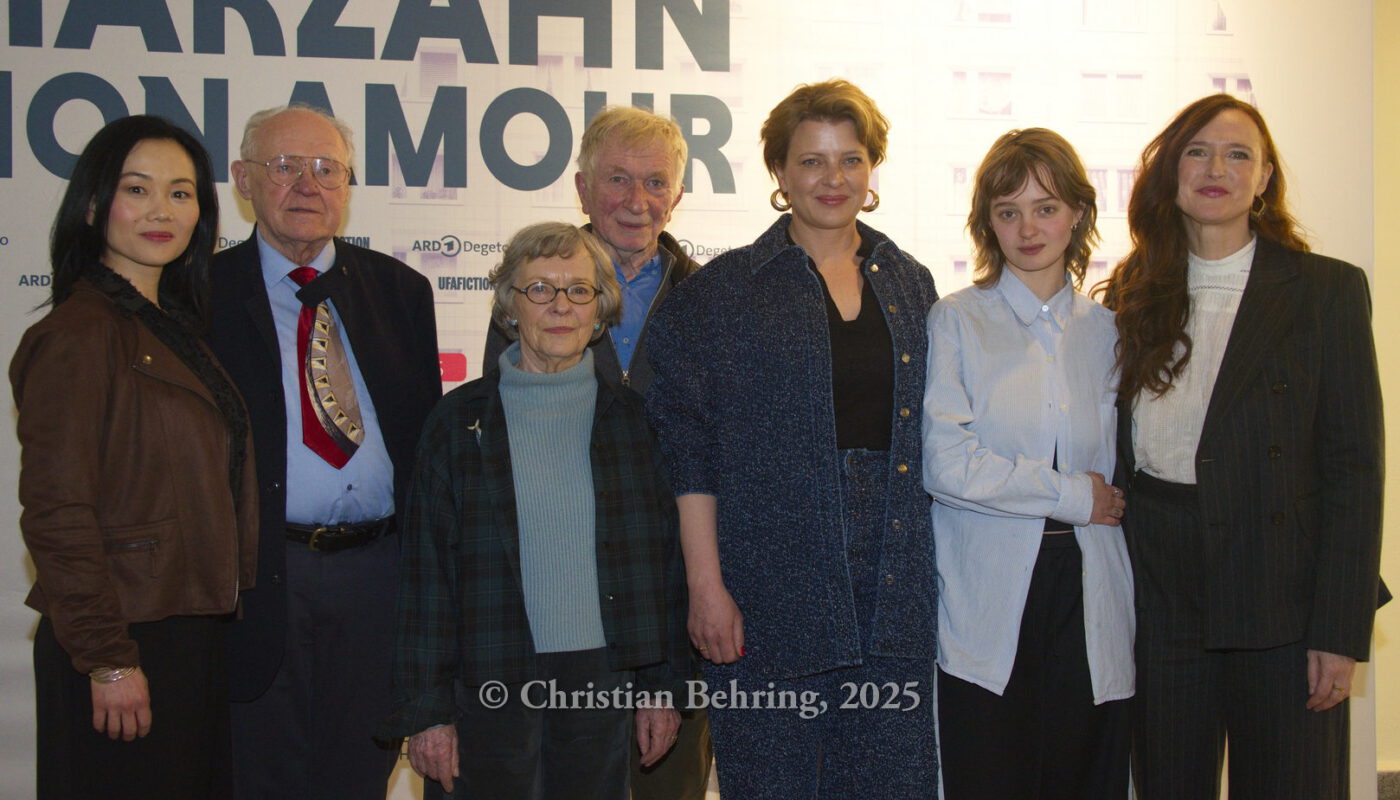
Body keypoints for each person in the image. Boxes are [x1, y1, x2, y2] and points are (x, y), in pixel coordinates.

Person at [646, 79, 940, 798]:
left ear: (872, 172)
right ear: (779, 173)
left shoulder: (912, 283)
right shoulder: (718, 297)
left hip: (893, 593)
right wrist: (706, 588)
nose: (832, 179)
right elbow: (690, 460)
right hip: (766, 595)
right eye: (811, 161)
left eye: (851, 159)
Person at [1099, 94, 1384, 798]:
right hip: (1162, 593)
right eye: (1197, 151)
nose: (1215, 168)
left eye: (1238, 154)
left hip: (1282, 599)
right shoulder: (1131, 294)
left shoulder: (1326, 290)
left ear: (1265, 179)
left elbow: (1355, 469)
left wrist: (1340, 630)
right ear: (1171, 173)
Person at [383, 222, 690, 799]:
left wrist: (661, 687)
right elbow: (424, 580)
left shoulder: (636, 422)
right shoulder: (455, 423)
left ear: (600, 311)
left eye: (579, 290)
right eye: (540, 290)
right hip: (486, 674)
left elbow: (665, 570)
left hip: (603, 678)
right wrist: (427, 711)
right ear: (509, 308)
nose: (560, 306)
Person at [11, 115, 257, 799]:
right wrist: (107, 660)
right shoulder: (78, 335)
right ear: (93, 206)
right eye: (138, 189)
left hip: (184, 635)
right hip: (122, 640)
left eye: (181, 194)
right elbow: (58, 512)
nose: (162, 210)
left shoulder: (170, 327)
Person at [208, 104, 442, 800]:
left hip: (377, 576)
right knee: (260, 773)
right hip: (259, 575)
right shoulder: (202, 293)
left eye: (326, 169)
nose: (307, 185)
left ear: (347, 186)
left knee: (358, 771)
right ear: (244, 179)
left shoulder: (402, 291)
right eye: (285, 167)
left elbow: (424, 446)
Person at [482, 106, 711, 799]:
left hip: (676, 592)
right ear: (582, 188)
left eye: (654, 182)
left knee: (666, 781)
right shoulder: (532, 286)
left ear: (677, 196)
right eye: (616, 179)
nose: (636, 201)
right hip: (554, 602)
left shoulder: (714, 305)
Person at [922, 128, 1133, 799]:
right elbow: (947, 465)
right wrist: (1072, 494)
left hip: (1090, 585)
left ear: (1078, 211)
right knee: (989, 774)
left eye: (1045, 207)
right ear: (987, 223)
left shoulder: (1111, 333)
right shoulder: (957, 320)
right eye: (1007, 211)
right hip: (990, 593)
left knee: (1084, 775)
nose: (1027, 227)